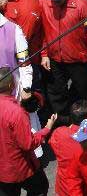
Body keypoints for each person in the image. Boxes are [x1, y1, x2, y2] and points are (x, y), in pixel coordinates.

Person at [0, 65, 55, 195]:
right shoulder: (16, 112)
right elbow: (28, 144)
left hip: (2, 172)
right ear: (10, 86)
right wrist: (47, 129)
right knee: (40, 189)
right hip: (22, 168)